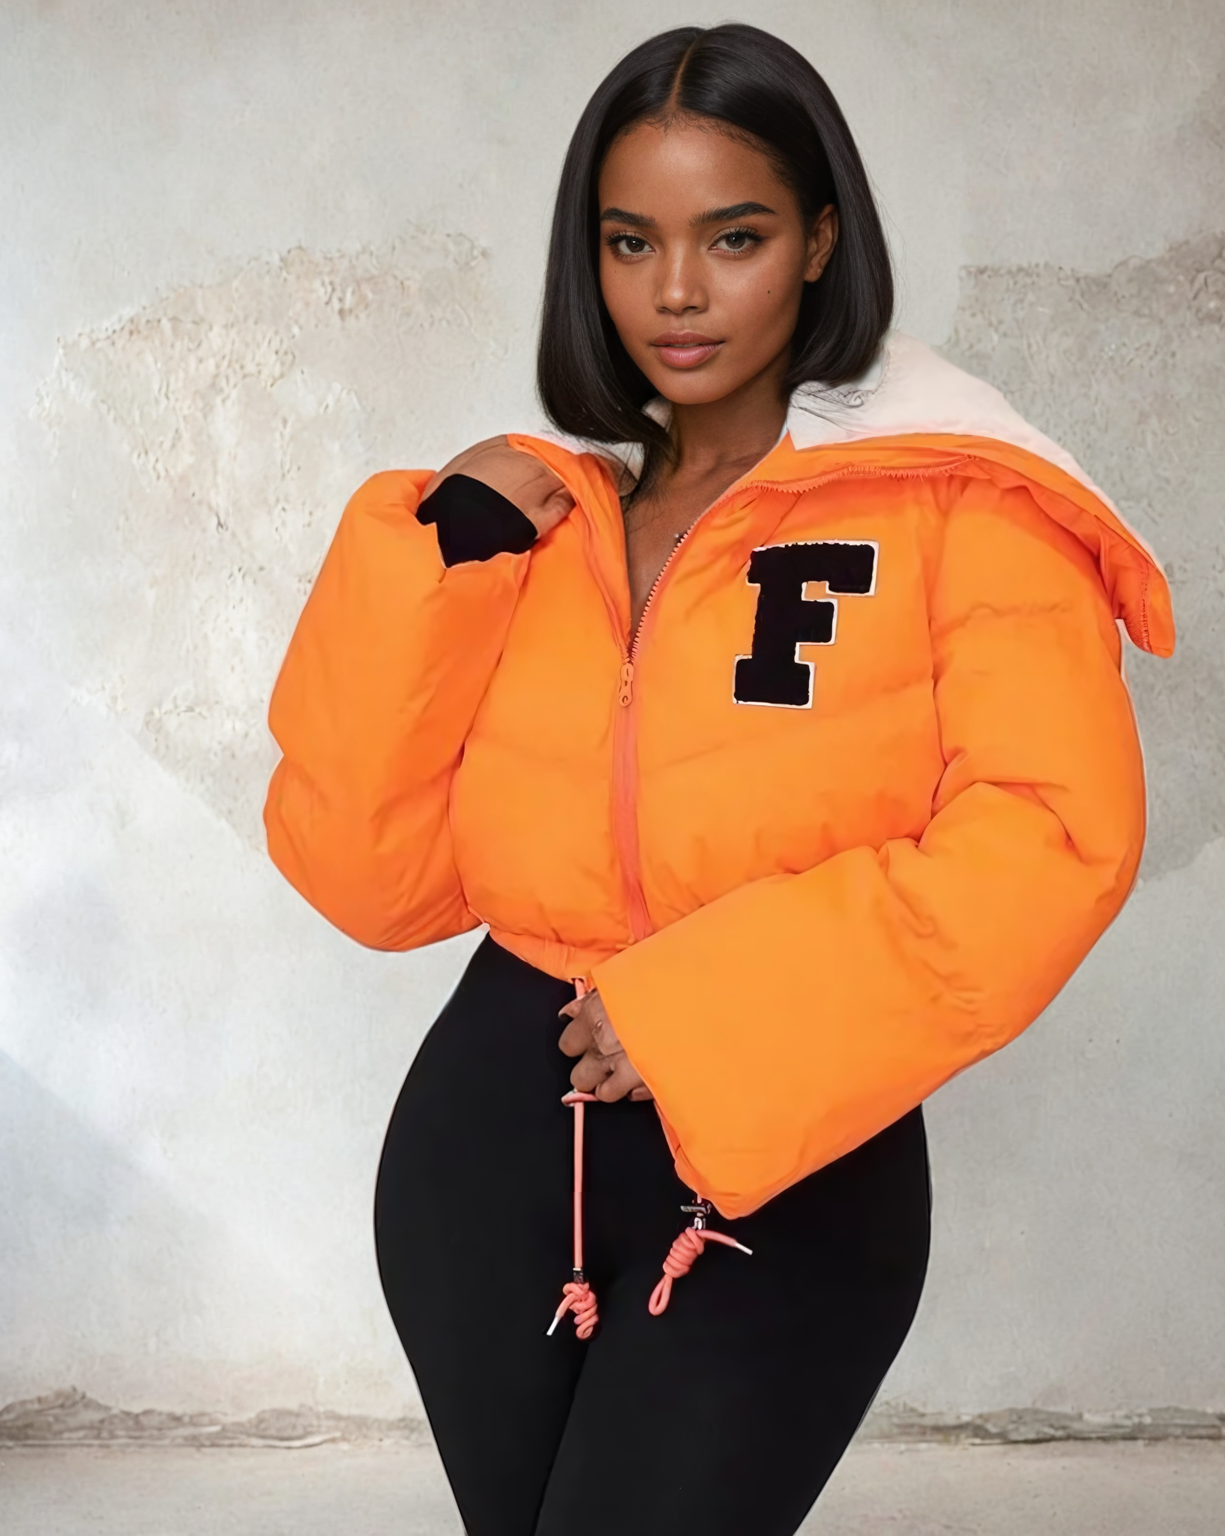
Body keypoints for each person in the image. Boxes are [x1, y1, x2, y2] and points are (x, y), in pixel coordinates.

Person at [262, 22, 1174, 1536]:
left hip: (784, 1164)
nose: (675, 292)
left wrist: (696, 1015)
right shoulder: (548, 517)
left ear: (820, 240)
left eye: (732, 237)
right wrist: (429, 573)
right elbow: (374, 879)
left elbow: (1051, 838)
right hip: (487, 1154)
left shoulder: (964, 507)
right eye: (631, 241)